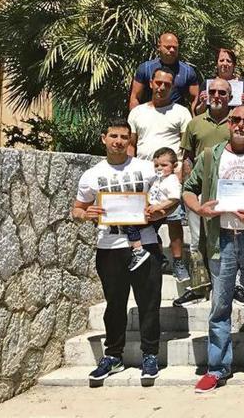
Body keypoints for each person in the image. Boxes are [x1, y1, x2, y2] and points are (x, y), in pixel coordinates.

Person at [183, 104, 244, 394]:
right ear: (229, 124)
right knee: (219, 306)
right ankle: (216, 368)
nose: (240, 125)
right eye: (235, 119)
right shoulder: (210, 157)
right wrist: (200, 210)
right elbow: (188, 189)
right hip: (222, 239)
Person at [72, 119, 167, 386]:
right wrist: (85, 213)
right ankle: (113, 356)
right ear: (104, 138)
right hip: (109, 247)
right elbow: (77, 208)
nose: (118, 141)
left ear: (130, 141)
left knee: (149, 303)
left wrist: (159, 210)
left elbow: (165, 202)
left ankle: (150, 355)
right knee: (115, 304)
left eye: (124, 137)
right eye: (113, 136)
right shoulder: (91, 174)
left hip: (145, 243)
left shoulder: (147, 169)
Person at [177, 78, 241, 307]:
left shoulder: (237, 123)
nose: (216, 95)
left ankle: (233, 286)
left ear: (230, 96)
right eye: (212, 91)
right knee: (196, 241)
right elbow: (187, 157)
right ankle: (199, 287)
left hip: (229, 191)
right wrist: (186, 189)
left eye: (222, 92)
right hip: (200, 190)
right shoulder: (195, 124)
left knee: (231, 239)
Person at [127, 66, 192, 283]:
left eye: (167, 84)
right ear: (151, 83)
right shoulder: (137, 113)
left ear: (172, 86)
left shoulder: (181, 112)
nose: (162, 87)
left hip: (170, 176)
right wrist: (130, 171)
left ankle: (178, 262)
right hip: (145, 177)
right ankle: (155, 257)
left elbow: (186, 147)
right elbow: (131, 145)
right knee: (145, 218)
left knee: (173, 220)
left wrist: (180, 174)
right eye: (158, 83)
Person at [124, 147, 181, 272]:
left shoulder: (172, 180)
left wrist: (159, 207)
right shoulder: (159, 179)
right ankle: (161, 256)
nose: (159, 168)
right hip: (151, 209)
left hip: (157, 212)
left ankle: (138, 251)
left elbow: (175, 198)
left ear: (174, 166)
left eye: (164, 165)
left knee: (130, 226)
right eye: (156, 165)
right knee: (152, 231)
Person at [129, 31, 199, 109]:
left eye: (175, 47)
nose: (172, 50)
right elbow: (135, 97)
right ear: (159, 47)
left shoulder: (188, 72)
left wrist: (194, 119)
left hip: (175, 116)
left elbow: (195, 100)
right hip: (149, 114)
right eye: (168, 47)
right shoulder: (145, 68)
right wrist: (134, 118)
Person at [194, 47, 244, 114]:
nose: (225, 63)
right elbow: (197, 112)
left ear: (234, 65)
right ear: (216, 64)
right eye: (221, 60)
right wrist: (203, 103)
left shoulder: (242, 84)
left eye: (228, 61)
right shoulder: (207, 84)